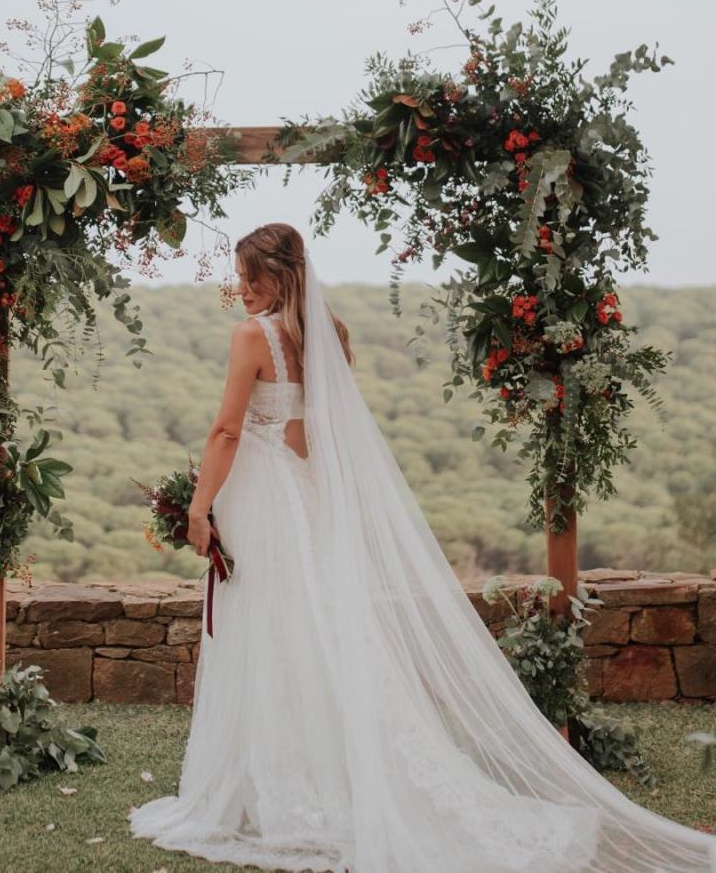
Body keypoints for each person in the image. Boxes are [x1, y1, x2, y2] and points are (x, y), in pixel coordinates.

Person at [128, 222, 716, 873]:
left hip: (266, 502)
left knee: (271, 637)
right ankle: (305, 779)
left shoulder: (251, 337)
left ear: (279, 277)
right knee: (313, 637)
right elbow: (316, 433)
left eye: (249, 277)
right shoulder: (329, 335)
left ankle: (280, 790)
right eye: (240, 277)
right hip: (306, 498)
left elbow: (226, 431)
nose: (240, 289)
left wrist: (200, 507)